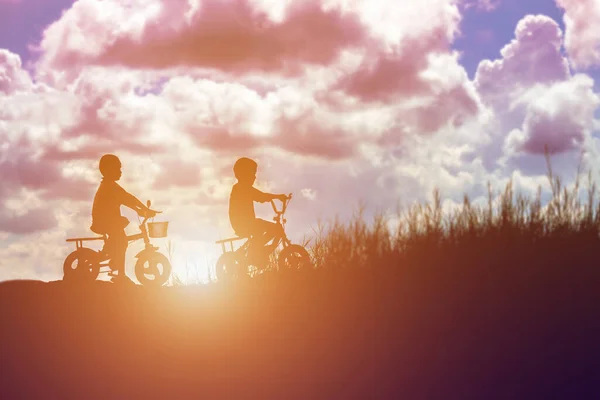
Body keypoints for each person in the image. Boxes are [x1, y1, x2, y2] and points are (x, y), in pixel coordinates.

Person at [90, 154, 155, 284]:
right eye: (117, 168)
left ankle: (112, 257)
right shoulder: (110, 187)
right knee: (121, 243)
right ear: (108, 170)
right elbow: (128, 198)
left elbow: (127, 200)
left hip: (109, 221)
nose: (120, 172)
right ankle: (120, 274)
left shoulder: (110, 185)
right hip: (107, 222)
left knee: (120, 241)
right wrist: (144, 210)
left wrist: (140, 210)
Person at [229, 157, 287, 266]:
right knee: (273, 228)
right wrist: (277, 196)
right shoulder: (241, 188)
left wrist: (271, 197)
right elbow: (260, 196)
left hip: (248, 223)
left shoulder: (242, 188)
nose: (254, 177)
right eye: (252, 173)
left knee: (265, 228)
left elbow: (260, 197)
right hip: (244, 224)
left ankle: (257, 251)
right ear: (244, 174)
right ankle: (256, 254)